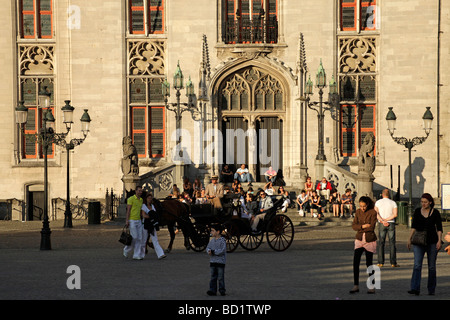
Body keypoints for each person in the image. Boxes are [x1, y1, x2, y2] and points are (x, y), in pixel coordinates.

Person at [407, 193, 443, 296]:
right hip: (418, 241)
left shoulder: (435, 213)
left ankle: (431, 289)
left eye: (425, 202)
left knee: (431, 266)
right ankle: (415, 288)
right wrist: (409, 239)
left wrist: (439, 241)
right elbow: (413, 226)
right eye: (422, 202)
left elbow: (439, 228)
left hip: (432, 241)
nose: (423, 204)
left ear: (430, 202)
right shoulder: (417, 211)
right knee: (417, 265)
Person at [350, 196, 378, 294]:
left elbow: (372, 227)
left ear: (367, 205)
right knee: (355, 262)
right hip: (359, 239)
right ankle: (356, 285)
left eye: (364, 206)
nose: (362, 208)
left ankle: (372, 286)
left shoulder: (373, 212)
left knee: (369, 263)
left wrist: (361, 227)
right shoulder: (358, 212)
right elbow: (354, 226)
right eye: (361, 206)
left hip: (369, 239)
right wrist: (362, 226)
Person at [375, 189, 399, 267]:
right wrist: (387, 220)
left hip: (381, 223)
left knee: (381, 243)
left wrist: (382, 220)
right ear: (389, 195)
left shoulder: (378, 202)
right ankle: (393, 262)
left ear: (382, 194)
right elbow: (395, 214)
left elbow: (376, 213)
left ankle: (380, 262)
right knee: (392, 243)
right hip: (391, 223)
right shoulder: (393, 203)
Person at [141, 193, 166, 260]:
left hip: (152, 224)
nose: (150, 199)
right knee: (144, 240)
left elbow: (155, 214)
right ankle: (141, 255)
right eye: (148, 198)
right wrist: (151, 217)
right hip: (146, 224)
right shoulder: (144, 206)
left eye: (150, 198)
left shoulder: (152, 206)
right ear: (146, 199)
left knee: (155, 240)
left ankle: (161, 254)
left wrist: (153, 217)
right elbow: (144, 215)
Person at [124, 186, 144, 260]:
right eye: (139, 191)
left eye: (141, 191)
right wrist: (127, 220)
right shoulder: (131, 199)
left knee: (139, 238)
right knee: (134, 237)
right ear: (135, 191)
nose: (140, 192)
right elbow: (128, 210)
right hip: (132, 220)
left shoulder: (141, 200)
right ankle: (126, 249)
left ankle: (136, 254)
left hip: (138, 220)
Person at [206, 223, 227, 296]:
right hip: (213, 261)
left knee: (220, 277)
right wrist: (208, 251)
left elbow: (222, 250)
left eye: (212, 230)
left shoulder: (222, 240)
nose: (211, 232)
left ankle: (222, 290)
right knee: (213, 277)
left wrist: (214, 252)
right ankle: (212, 290)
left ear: (218, 232)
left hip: (220, 262)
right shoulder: (212, 241)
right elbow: (208, 247)